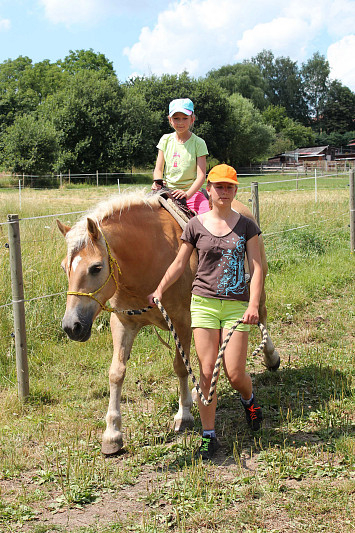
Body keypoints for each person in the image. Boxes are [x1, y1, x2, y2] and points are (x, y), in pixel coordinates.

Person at [148, 164, 264, 460]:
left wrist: (253, 304)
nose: (224, 192)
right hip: (203, 304)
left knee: (235, 373)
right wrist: (159, 289)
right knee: (207, 372)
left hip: (236, 304)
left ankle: (249, 400)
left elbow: (258, 267)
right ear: (208, 191)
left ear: (235, 190)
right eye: (218, 187)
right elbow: (178, 264)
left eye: (229, 187)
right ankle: (209, 435)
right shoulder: (195, 225)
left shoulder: (246, 226)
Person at [152, 98, 210, 214]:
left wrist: (187, 194)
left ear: (192, 119)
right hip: (168, 191)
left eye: (185, 118)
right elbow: (158, 169)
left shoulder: (198, 143)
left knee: (207, 218)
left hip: (192, 193)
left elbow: (201, 175)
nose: (180, 122)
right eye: (176, 118)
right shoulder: (165, 140)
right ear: (170, 120)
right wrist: (157, 182)